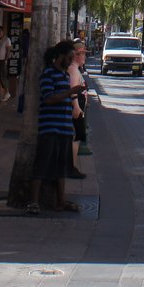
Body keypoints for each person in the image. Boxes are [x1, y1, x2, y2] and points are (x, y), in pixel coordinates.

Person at [35, 40, 80, 211]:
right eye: (69, 58)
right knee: (43, 165)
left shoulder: (65, 75)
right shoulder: (48, 74)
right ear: (60, 56)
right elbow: (48, 98)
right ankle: (34, 201)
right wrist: (70, 92)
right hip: (50, 126)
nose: (70, 61)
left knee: (61, 168)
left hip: (63, 127)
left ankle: (61, 200)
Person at [68, 39, 89, 179]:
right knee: (75, 137)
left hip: (79, 106)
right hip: (76, 108)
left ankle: (71, 166)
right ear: (76, 55)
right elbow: (72, 90)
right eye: (82, 54)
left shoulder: (75, 69)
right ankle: (71, 167)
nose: (85, 57)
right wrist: (76, 106)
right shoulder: (73, 70)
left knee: (77, 137)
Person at [0, 31, 11, 103]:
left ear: (3, 32)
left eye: (0, 32)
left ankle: (7, 93)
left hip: (2, 61)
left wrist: (6, 60)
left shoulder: (6, 39)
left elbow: (8, 50)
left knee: (2, 77)